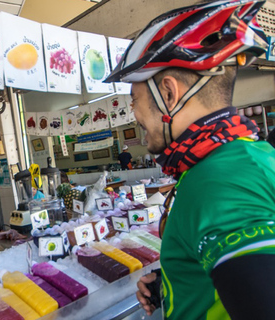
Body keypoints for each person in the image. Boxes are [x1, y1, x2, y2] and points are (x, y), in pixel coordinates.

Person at [105, 1, 275, 319]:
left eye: (135, 100)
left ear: (169, 94)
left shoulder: (222, 180)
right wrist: (177, 284)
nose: (135, 115)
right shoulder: (231, 157)